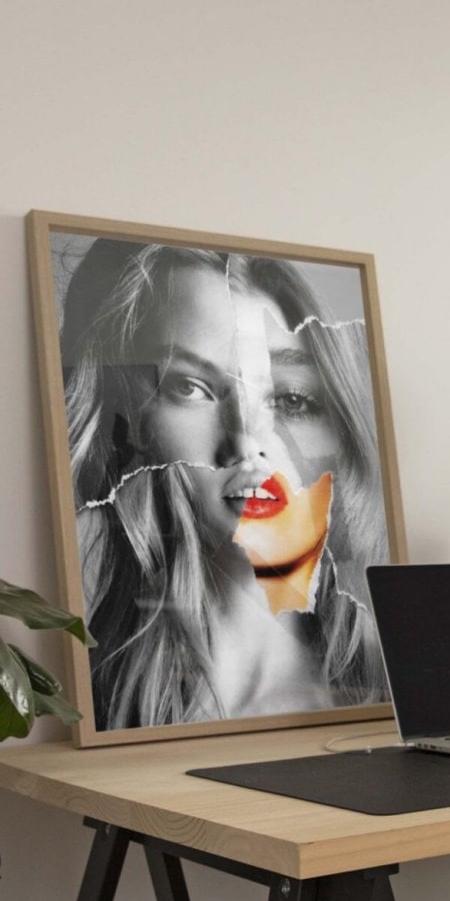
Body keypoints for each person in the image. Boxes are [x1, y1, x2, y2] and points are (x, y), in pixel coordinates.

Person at [57, 237, 389, 731]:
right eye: (190, 387)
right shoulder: (71, 697)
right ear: (123, 418)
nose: (248, 440)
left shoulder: (388, 691)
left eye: (289, 399)